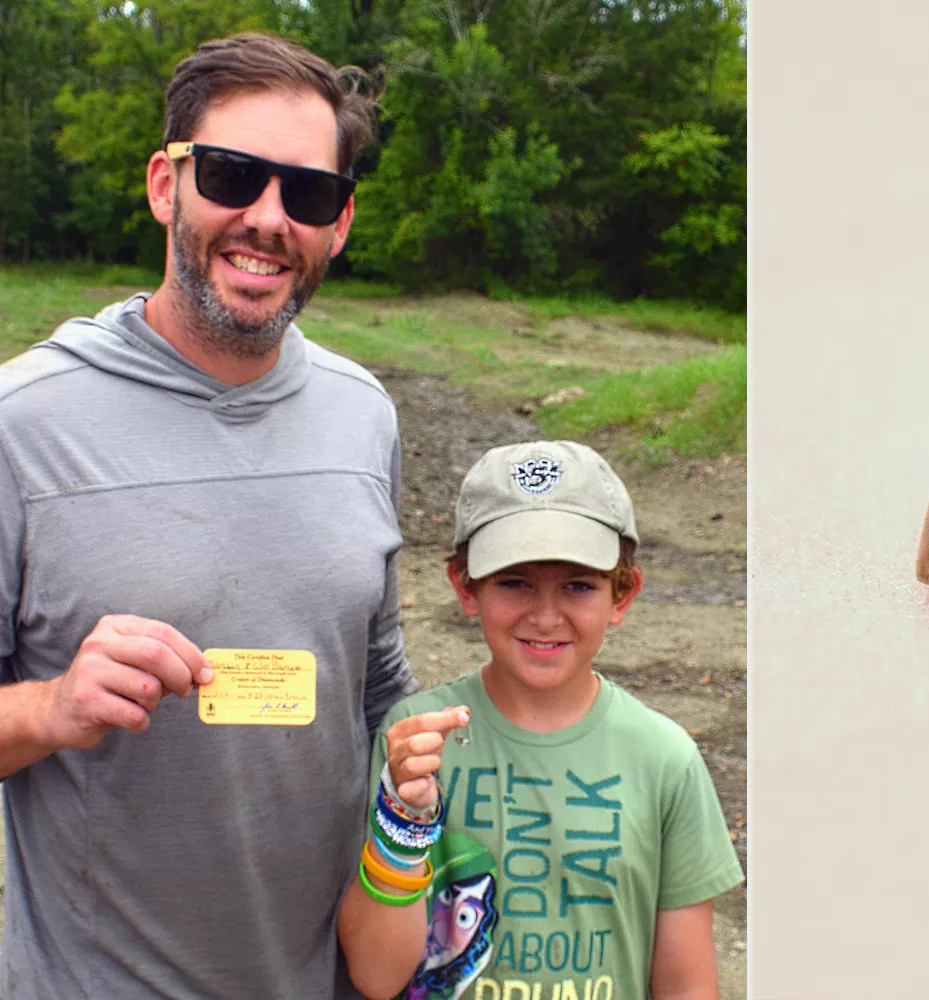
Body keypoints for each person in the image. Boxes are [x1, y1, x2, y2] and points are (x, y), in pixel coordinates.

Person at [0, 33, 417, 998]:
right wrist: (54, 706)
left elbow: (378, 679)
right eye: (233, 175)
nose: (268, 219)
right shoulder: (24, 426)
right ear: (164, 184)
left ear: (340, 223)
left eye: (308, 194)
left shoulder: (365, 415)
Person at [336, 440, 744, 1000]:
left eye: (578, 584)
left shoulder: (664, 757)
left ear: (622, 594)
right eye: (514, 581)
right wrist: (402, 820)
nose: (545, 615)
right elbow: (375, 977)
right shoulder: (417, 740)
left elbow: (687, 985)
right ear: (465, 586)